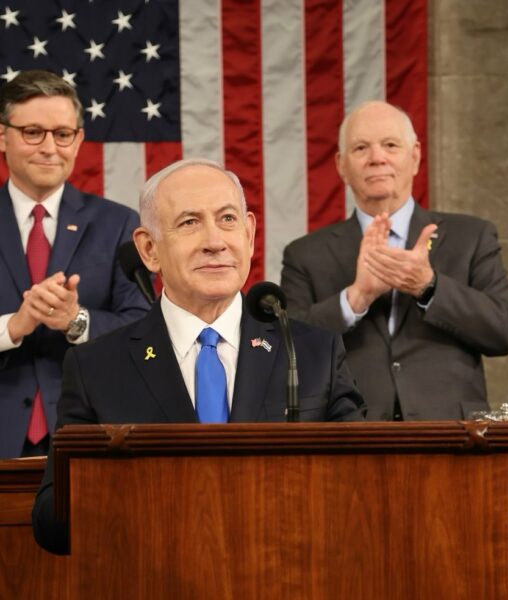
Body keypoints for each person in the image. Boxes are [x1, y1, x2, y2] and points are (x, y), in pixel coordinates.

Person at [32, 158, 366, 554]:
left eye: (227, 219)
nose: (215, 241)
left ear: (250, 233)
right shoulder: (97, 368)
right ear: (149, 249)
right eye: (190, 222)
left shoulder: (312, 353)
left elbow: (363, 492)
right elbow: (53, 523)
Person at [281, 101, 508, 421]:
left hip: (453, 438)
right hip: (350, 438)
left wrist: (429, 286)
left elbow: (505, 332)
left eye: (391, 145)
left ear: (416, 157)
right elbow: (285, 353)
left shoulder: (472, 236)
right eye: (361, 148)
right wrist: (355, 299)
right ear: (341, 165)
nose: (377, 158)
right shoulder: (304, 254)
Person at [0, 70, 150, 458]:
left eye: (63, 134)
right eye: (33, 132)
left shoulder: (119, 224)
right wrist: (13, 327)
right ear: (3, 136)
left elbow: (146, 330)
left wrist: (76, 320)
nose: (50, 147)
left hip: (89, 433)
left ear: (79, 140)